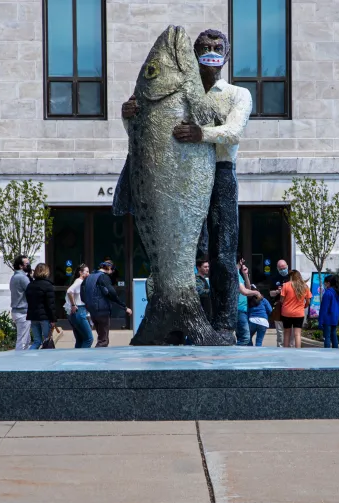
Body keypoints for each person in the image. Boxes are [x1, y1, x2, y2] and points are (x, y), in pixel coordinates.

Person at [121, 29, 252, 344]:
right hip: (181, 178)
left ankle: (223, 326)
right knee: (187, 252)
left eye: (217, 47)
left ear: (227, 53)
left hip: (219, 173)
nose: (211, 51)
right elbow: (148, 130)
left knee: (222, 254)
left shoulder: (237, 93)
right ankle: (176, 322)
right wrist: (128, 117)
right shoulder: (182, 90)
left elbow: (234, 131)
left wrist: (201, 134)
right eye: (205, 47)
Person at [81, 260, 132, 348]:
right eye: (111, 270)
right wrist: (125, 307)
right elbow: (112, 294)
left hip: (92, 310)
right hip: (102, 310)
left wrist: (88, 305)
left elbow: (82, 294)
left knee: (101, 335)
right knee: (103, 340)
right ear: (108, 268)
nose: (111, 272)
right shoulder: (103, 277)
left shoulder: (89, 277)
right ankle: (99, 359)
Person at [25, 263, 56, 350]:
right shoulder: (48, 285)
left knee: (37, 341)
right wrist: (53, 319)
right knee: (47, 340)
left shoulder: (30, 285)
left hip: (33, 316)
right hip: (45, 317)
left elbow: (28, 300)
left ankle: (28, 357)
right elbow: (51, 304)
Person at [65, 264, 94, 349]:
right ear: (80, 272)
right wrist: (73, 305)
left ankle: (77, 357)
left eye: (89, 271)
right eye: (87, 272)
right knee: (89, 339)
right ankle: (82, 357)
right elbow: (69, 291)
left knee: (80, 339)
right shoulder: (79, 281)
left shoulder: (78, 281)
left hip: (77, 312)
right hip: (80, 310)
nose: (88, 274)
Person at [280, 270, 312, 348]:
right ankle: (298, 351)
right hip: (299, 313)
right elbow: (308, 301)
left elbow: (281, 300)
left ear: (291, 276)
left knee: (287, 333)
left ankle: (285, 350)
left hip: (286, 313)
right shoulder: (304, 286)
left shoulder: (286, 285)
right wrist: (304, 306)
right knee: (297, 334)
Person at [236, 256, 262, 346]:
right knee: (245, 337)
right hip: (238, 309)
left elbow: (248, 288)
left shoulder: (238, 275)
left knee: (241, 336)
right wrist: (256, 293)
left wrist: (245, 275)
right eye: (243, 260)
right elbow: (244, 291)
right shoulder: (234, 274)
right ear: (240, 261)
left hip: (242, 309)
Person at [9, 255, 32, 351]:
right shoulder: (22, 278)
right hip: (22, 312)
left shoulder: (14, 277)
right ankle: (18, 361)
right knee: (22, 341)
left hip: (18, 311)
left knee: (26, 340)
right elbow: (31, 291)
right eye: (27, 264)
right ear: (20, 266)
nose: (29, 266)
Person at [318, 275, 339, 349]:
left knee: (327, 336)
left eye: (325, 283)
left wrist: (320, 321)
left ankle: (327, 352)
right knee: (334, 335)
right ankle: (335, 350)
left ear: (328, 283)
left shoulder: (327, 293)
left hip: (327, 318)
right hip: (335, 317)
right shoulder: (336, 293)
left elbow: (324, 308)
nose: (324, 284)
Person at [269, 260, 289, 347]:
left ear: (287, 266)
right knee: (280, 333)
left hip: (290, 307)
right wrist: (278, 291)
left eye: (284, 268)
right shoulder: (274, 278)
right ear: (277, 269)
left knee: (290, 332)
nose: (283, 270)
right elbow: (270, 293)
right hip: (279, 307)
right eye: (281, 269)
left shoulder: (292, 277)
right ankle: (280, 350)